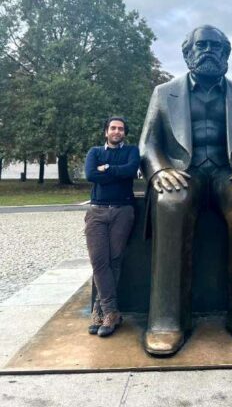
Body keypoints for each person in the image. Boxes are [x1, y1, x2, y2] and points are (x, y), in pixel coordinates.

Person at [140, 25, 232, 356]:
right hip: (184, 173)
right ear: (187, 54)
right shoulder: (163, 93)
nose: (209, 51)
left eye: (217, 47)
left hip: (229, 172)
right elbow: (148, 143)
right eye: (202, 46)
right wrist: (159, 169)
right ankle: (168, 321)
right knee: (170, 202)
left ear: (227, 55)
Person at [84, 117, 140, 337]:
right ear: (106, 131)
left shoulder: (132, 151)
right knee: (98, 261)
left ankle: (101, 311)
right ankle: (111, 311)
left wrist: (106, 169)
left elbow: (131, 170)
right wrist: (116, 171)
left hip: (122, 210)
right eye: (113, 128)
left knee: (114, 260)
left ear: (124, 133)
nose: (117, 131)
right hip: (97, 211)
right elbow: (90, 175)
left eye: (121, 129)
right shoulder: (94, 152)